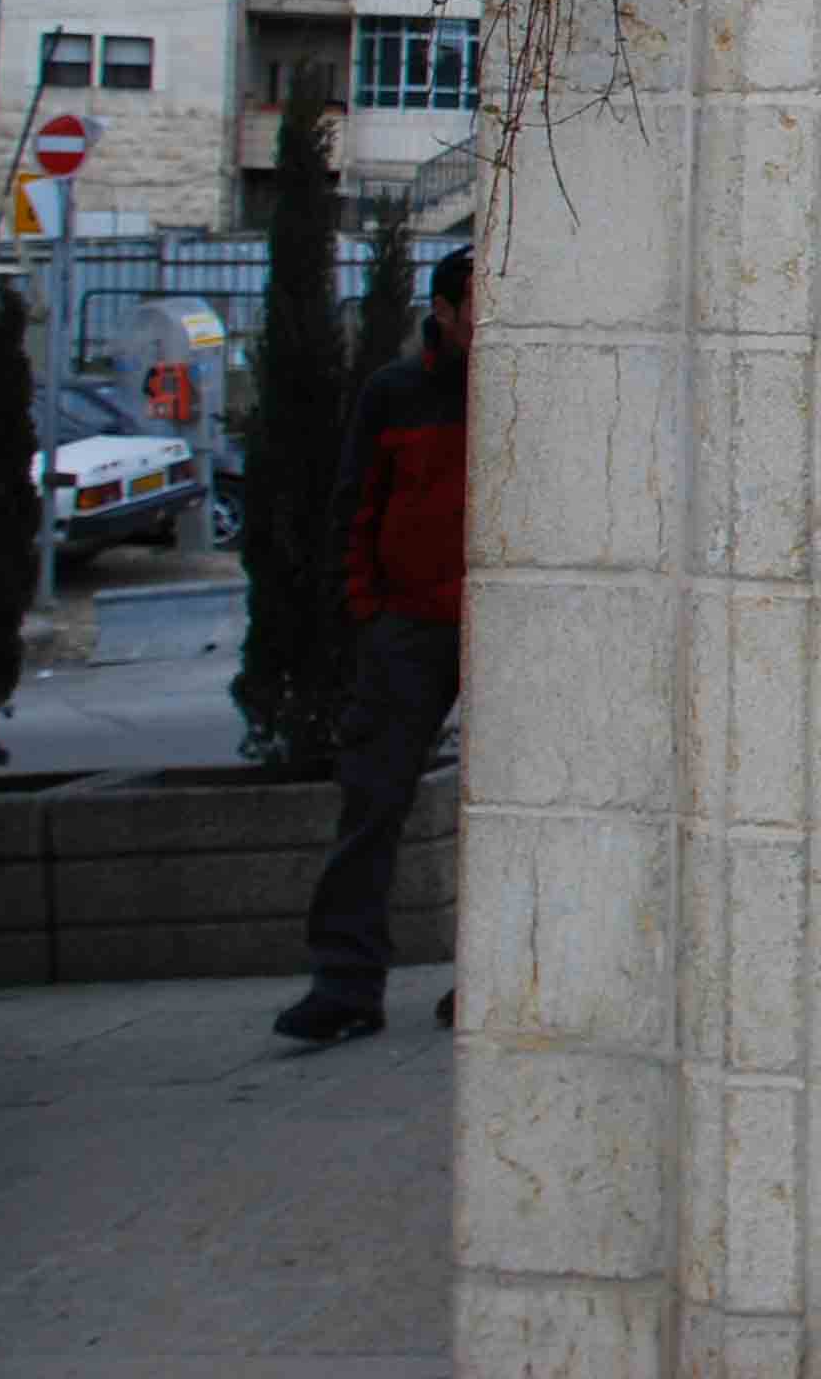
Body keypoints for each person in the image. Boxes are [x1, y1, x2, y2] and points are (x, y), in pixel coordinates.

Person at [273, 248, 473, 1045]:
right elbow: (353, 509)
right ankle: (346, 983)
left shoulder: (527, 388)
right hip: (410, 631)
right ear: (445, 310)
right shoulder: (394, 395)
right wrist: (366, 610)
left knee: (504, 817)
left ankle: (493, 978)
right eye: (475, 308)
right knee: (372, 803)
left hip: (504, 633)